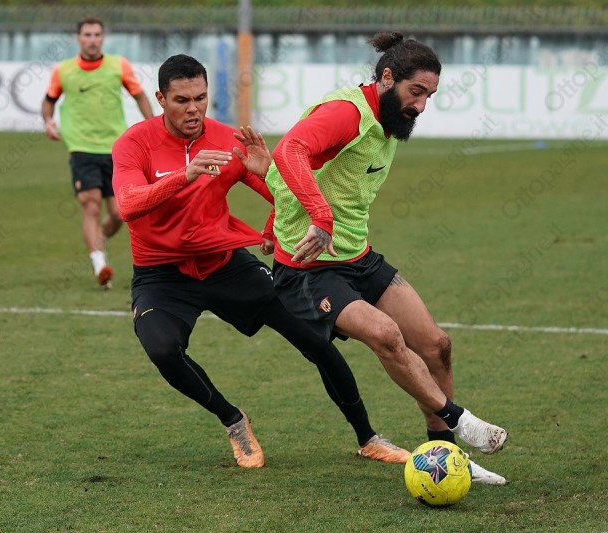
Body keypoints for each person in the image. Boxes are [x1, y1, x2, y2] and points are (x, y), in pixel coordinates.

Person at [111, 54, 412, 469]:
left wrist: (274, 216)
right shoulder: (134, 143)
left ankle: (368, 437)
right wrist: (186, 175)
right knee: (163, 349)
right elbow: (127, 205)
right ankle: (233, 420)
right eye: (181, 100)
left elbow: (283, 193)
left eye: (200, 98)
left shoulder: (227, 139)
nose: (194, 108)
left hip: (225, 264)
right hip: (160, 275)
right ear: (161, 99)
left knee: (315, 340)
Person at [265, 32, 508, 484]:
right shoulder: (346, 113)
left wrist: (276, 217)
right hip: (309, 269)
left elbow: (308, 173)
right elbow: (288, 151)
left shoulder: (390, 121)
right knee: (386, 335)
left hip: (357, 257)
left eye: (430, 96)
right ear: (387, 77)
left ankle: (446, 458)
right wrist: (318, 216)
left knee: (436, 346)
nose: (421, 105)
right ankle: (459, 420)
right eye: (416, 92)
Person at [42, 16, 154, 289]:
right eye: (87, 35)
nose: (92, 40)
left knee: (119, 212)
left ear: (103, 38)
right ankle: (99, 264)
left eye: (96, 35)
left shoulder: (119, 65)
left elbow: (139, 95)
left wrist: (153, 127)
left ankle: (98, 241)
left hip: (115, 148)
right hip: (81, 147)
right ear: (78, 38)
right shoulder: (64, 70)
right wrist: (48, 121)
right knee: (90, 205)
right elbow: (49, 101)